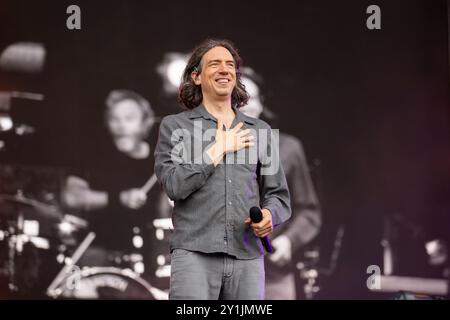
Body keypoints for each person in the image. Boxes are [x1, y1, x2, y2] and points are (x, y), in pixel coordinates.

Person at [154, 39, 291, 300]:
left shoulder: (261, 131)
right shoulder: (174, 127)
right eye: (214, 64)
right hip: (194, 255)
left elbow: (279, 196)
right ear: (196, 76)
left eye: (230, 65)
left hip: (248, 258)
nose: (224, 69)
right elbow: (174, 186)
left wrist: (269, 215)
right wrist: (218, 149)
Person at [63, 89, 167, 275]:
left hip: (147, 255)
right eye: (115, 119)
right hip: (97, 248)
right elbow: (71, 197)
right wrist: (119, 198)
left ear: (146, 123)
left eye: (129, 119)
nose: (121, 125)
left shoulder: (161, 159)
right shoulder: (92, 154)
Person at [240, 69, 322, 299]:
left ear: (261, 103)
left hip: (273, 277)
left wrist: (289, 240)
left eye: (250, 98)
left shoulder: (288, 147)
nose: (244, 105)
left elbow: (309, 211)